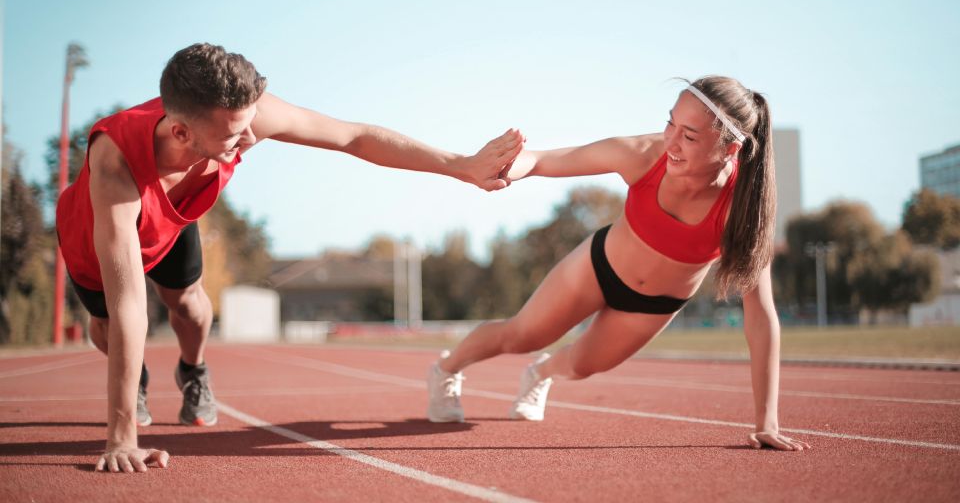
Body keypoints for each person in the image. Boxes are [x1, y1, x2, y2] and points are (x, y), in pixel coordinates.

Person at [56, 43, 524, 473]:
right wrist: (121, 440)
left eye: (248, 127)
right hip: (97, 234)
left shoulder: (246, 117)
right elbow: (129, 303)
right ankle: (134, 379)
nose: (248, 141)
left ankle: (192, 372)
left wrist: (459, 165)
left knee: (192, 307)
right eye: (234, 137)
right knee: (112, 328)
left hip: (173, 219)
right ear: (180, 131)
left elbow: (354, 137)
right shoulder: (116, 165)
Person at [426, 76, 810, 452]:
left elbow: (760, 314)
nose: (671, 142)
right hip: (598, 267)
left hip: (654, 306)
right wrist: (505, 168)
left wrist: (767, 423)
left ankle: (539, 374)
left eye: (689, 136)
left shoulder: (742, 208)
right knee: (522, 335)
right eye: (670, 123)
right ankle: (446, 369)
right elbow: (542, 160)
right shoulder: (643, 154)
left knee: (580, 366)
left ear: (729, 150)